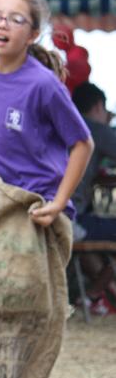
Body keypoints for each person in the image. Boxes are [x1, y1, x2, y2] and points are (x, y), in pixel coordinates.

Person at [0, 0, 93, 228]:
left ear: (33, 35)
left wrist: (58, 202)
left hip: (36, 206)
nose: (3, 24)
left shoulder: (43, 84)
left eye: (15, 19)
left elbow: (83, 144)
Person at [71, 82, 116, 314]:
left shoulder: (64, 124)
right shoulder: (95, 130)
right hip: (70, 218)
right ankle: (92, 294)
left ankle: (95, 298)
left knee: (91, 238)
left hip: (57, 213)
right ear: (99, 105)